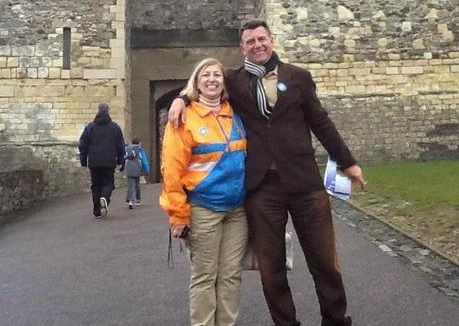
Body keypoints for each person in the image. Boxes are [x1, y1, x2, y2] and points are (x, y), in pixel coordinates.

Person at [169, 19, 366, 326]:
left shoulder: (298, 77)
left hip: (304, 182)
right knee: (271, 268)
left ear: (272, 40)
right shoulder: (233, 81)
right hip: (263, 188)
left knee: (325, 261)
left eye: (262, 39)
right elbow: (204, 84)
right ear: (242, 48)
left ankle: (336, 319)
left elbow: (321, 122)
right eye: (250, 41)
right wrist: (180, 99)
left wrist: (347, 162)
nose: (257, 45)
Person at [160, 58, 248, 326]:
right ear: (196, 84)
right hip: (203, 208)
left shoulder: (235, 111)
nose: (212, 79)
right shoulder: (184, 116)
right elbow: (172, 169)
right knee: (204, 276)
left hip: (237, 209)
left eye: (217, 75)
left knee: (231, 275)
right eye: (205, 75)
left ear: (224, 82)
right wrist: (177, 214)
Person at [78, 103, 125, 219]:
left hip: (94, 161)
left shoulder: (90, 127)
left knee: (96, 185)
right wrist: (121, 160)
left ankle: (97, 210)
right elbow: (120, 145)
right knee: (108, 183)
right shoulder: (115, 128)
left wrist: (83, 160)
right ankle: (104, 197)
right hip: (109, 161)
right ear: (108, 111)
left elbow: (82, 145)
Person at [124, 137, 149, 209]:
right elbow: (143, 160)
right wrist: (146, 169)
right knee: (137, 184)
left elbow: (124, 158)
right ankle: (138, 200)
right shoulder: (139, 150)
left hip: (129, 168)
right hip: (137, 168)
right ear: (139, 143)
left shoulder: (127, 149)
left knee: (130, 185)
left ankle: (130, 200)